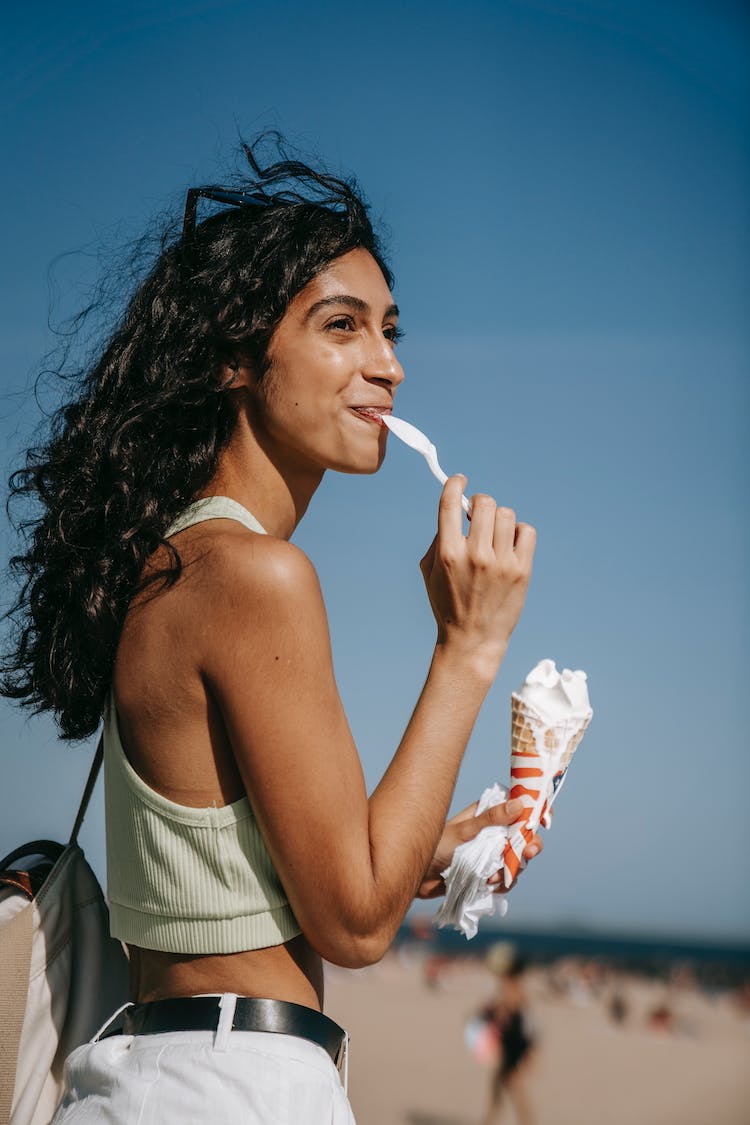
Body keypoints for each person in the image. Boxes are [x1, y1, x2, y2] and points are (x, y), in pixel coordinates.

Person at [2, 137, 540, 1123]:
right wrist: (470, 646)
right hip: (232, 1085)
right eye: (343, 327)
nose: (390, 366)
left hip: (155, 1078)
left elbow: (264, 878)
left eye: (390, 329)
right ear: (235, 360)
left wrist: (418, 848)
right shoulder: (255, 574)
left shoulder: (176, 564)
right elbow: (354, 924)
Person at [480, 943, 537, 1125]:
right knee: (501, 1087)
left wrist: (492, 1011)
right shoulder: (516, 985)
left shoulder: (510, 986)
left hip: (513, 1043)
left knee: (511, 1088)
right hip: (514, 1042)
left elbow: (509, 1011)